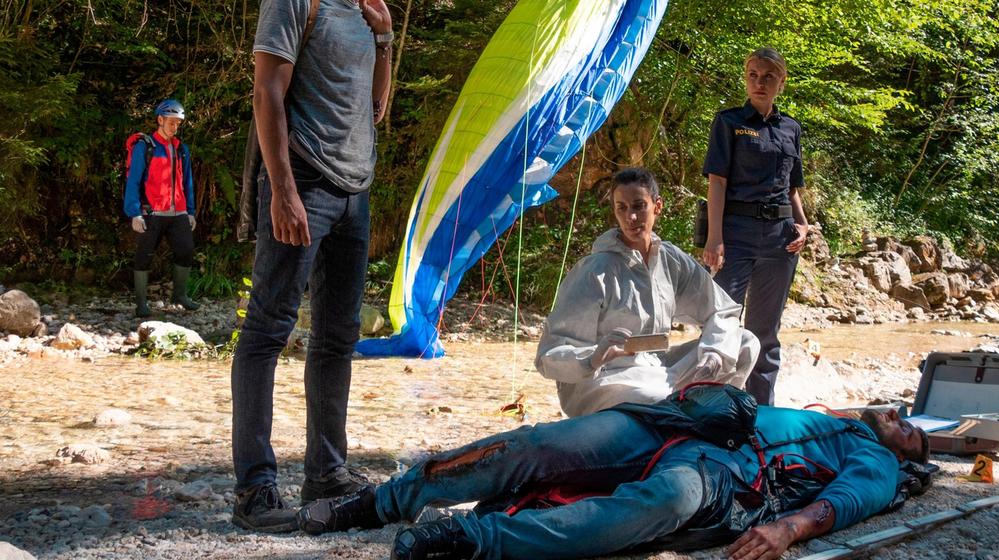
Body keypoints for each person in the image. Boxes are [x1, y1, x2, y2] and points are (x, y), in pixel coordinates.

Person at [230, 0, 408, 532]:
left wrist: (384, 38)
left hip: (355, 191)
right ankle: (254, 489)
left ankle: (326, 470)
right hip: (302, 181)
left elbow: (377, 106)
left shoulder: (366, 13)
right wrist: (280, 189)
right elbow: (267, 91)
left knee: (337, 338)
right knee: (268, 330)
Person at [295, 390, 930, 560]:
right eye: (900, 413)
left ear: (903, 455)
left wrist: (789, 530)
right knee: (534, 446)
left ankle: (471, 541)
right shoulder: (835, 415)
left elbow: (845, 504)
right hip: (669, 423)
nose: (897, 418)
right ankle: (377, 503)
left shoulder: (873, 461)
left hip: (723, 471)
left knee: (657, 504)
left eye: (908, 429)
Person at [535, 167, 759, 416]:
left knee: (745, 344)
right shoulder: (594, 270)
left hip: (658, 369)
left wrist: (715, 354)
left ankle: (713, 417)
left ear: (657, 206)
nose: (630, 217)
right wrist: (592, 358)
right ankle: (682, 412)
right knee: (658, 398)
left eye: (639, 206)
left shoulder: (671, 259)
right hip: (607, 379)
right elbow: (548, 354)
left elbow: (722, 309)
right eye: (622, 207)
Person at [702, 48, 809, 406]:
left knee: (765, 332)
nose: (759, 82)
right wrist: (714, 239)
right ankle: (714, 408)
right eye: (752, 74)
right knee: (721, 325)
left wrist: (804, 223)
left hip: (781, 240)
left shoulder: (791, 127)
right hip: (736, 234)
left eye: (767, 76)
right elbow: (716, 181)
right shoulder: (729, 122)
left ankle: (762, 413)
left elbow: (792, 186)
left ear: (782, 81)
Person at [123, 98, 199, 317]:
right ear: (160, 119)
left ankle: (180, 296)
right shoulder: (145, 147)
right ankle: (141, 304)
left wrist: (190, 211)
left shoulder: (181, 149)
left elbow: (188, 182)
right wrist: (134, 213)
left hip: (178, 213)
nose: (175, 127)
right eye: (171, 122)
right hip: (152, 213)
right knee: (144, 256)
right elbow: (134, 180)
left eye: (178, 123)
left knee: (186, 252)